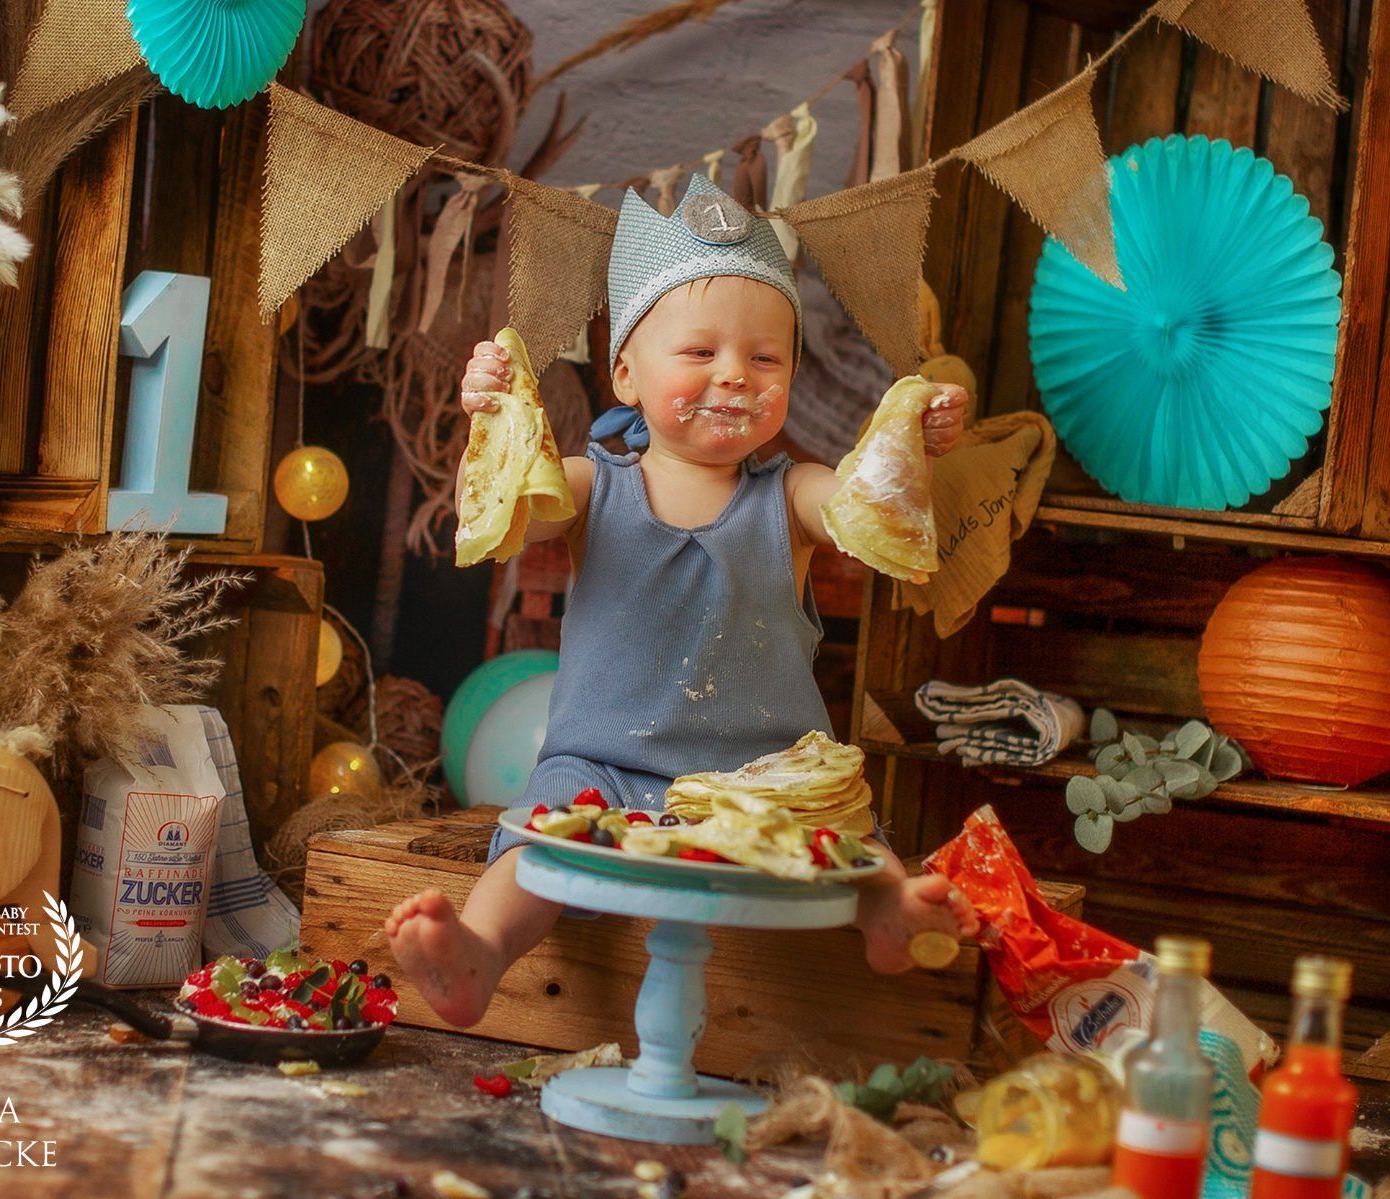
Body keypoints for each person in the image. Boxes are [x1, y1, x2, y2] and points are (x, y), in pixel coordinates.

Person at [386, 173, 978, 1027]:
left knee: (848, 840)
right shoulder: (594, 489)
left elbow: (863, 504)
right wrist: (493, 410)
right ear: (625, 371)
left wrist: (911, 443)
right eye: (701, 354)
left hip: (766, 778)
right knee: (534, 841)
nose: (735, 375)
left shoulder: (794, 494)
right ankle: (479, 952)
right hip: (606, 769)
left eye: (765, 358)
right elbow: (517, 505)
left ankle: (886, 911)